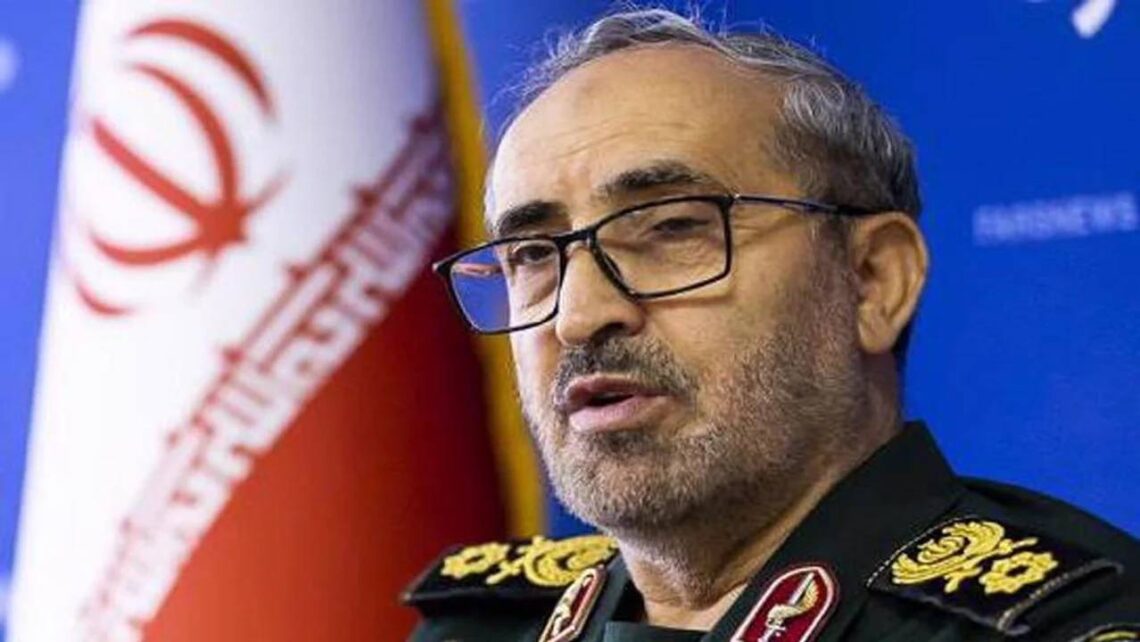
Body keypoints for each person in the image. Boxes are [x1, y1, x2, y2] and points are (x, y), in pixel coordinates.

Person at [405, 8, 1139, 641]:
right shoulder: (475, 627)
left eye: (671, 227)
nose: (579, 315)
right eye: (533, 255)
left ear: (872, 280)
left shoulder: (1071, 622)